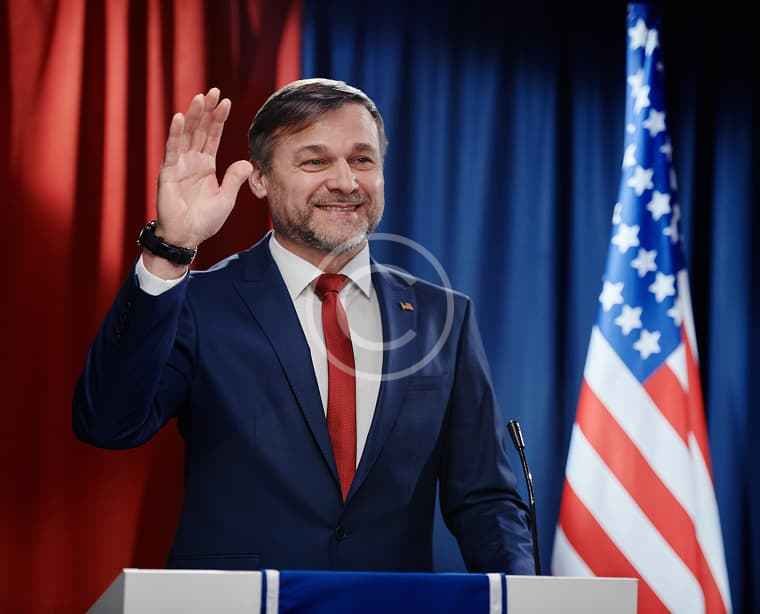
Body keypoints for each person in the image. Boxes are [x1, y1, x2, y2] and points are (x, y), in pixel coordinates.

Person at [73, 78, 534, 573]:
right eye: (315, 162)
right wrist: (170, 250)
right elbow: (109, 423)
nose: (345, 181)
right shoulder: (199, 303)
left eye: (362, 159)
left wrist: (523, 594)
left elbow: (484, 498)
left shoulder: (442, 316)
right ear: (260, 179)